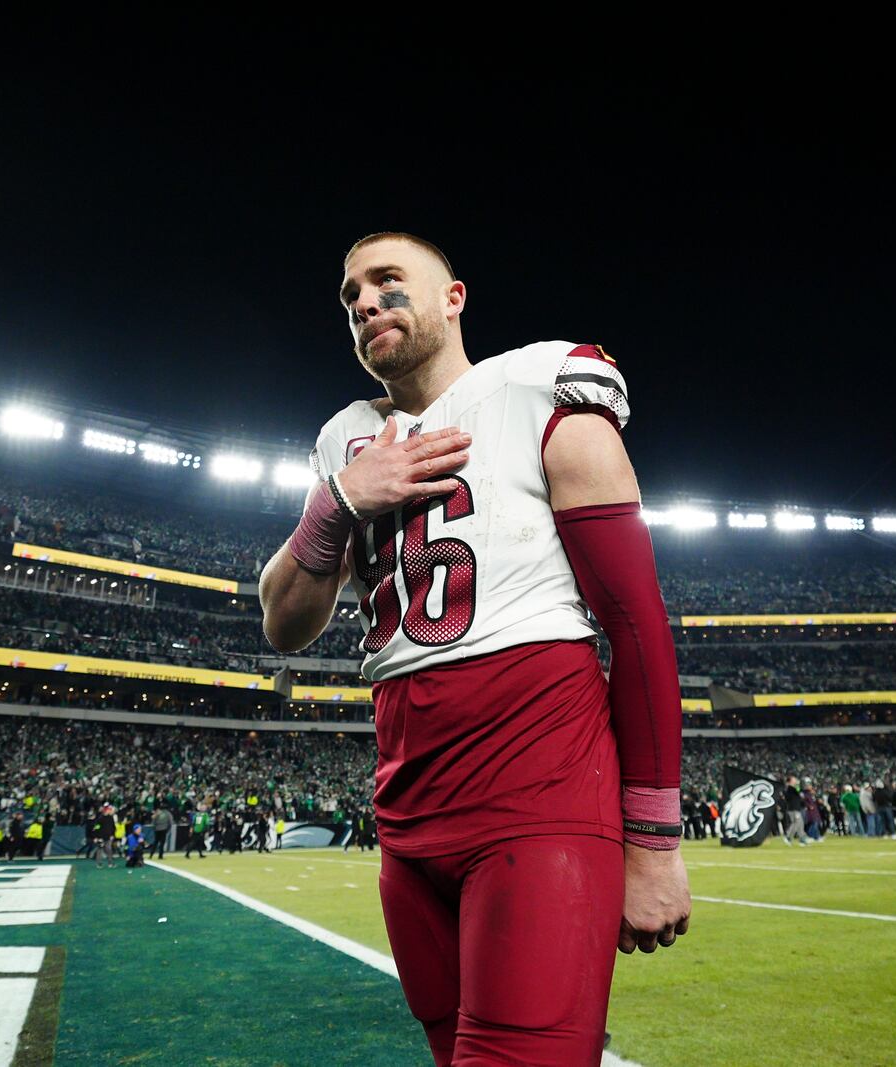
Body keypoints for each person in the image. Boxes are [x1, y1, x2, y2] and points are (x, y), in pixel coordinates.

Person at [259, 233, 689, 1065]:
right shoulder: (347, 443)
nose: (366, 303)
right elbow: (282, 621)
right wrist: (344, 501)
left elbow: (635, 624)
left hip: (536, 790)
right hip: (406, 808)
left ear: (454, 297)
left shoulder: (537, 386)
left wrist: (655, 841)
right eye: (351, 297)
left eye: (389, 281)